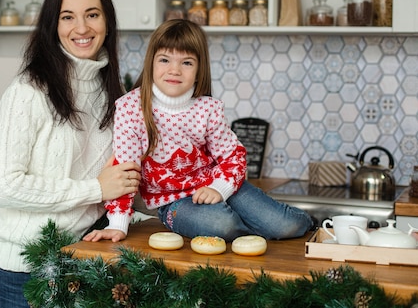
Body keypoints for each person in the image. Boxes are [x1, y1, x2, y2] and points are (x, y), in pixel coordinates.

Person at [0, 0, 141, 308]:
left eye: (92, 15)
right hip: (25, 271)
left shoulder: (112, 93)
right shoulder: (28, 92)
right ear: (52, 26)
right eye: (67, 17)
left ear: (107, 23)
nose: (81, 28)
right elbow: (3, 186)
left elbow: (119, 177)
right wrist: (95, 190)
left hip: (86, 259)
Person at [83, 19, 313, 244]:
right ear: (151, 62)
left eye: (187, 63)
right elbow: (125, 171)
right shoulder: (131, 109)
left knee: (286, 225)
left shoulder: (208, 109)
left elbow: (233, 156)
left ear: (199, 68)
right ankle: (255, 231)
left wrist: (219, 188)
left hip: (219, 184)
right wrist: (117, 223)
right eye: (164, 60)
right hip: (174, 202)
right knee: (221, 225)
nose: (175, 70)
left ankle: (308, 222)